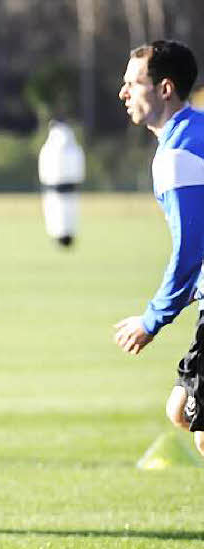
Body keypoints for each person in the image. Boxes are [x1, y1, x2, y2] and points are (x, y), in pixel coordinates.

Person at [114, 41, 204, 455]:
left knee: (191, 414)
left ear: (165, 88)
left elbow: (190, 250)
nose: (124, 93)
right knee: (185, 410)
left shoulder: (179, 154)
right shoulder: (194, 133)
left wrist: (152, 319)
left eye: (134, 83)